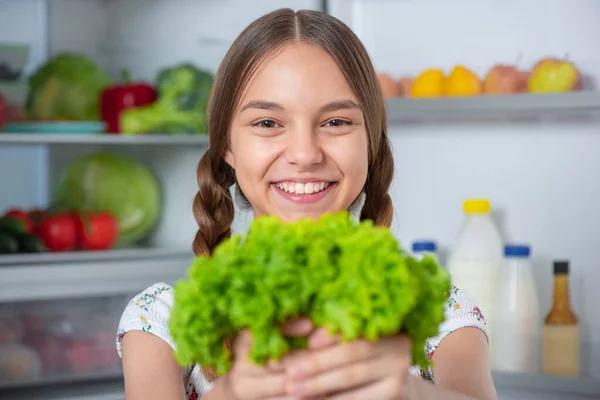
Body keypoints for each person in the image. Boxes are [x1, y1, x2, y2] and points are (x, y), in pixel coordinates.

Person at [117, 8, 498, 400]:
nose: (304, 154)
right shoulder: (160, 321)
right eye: (267, 123)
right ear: (227, 147)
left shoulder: (438, 312)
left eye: (335, 122)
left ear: (371, 141)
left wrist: (409, 391)